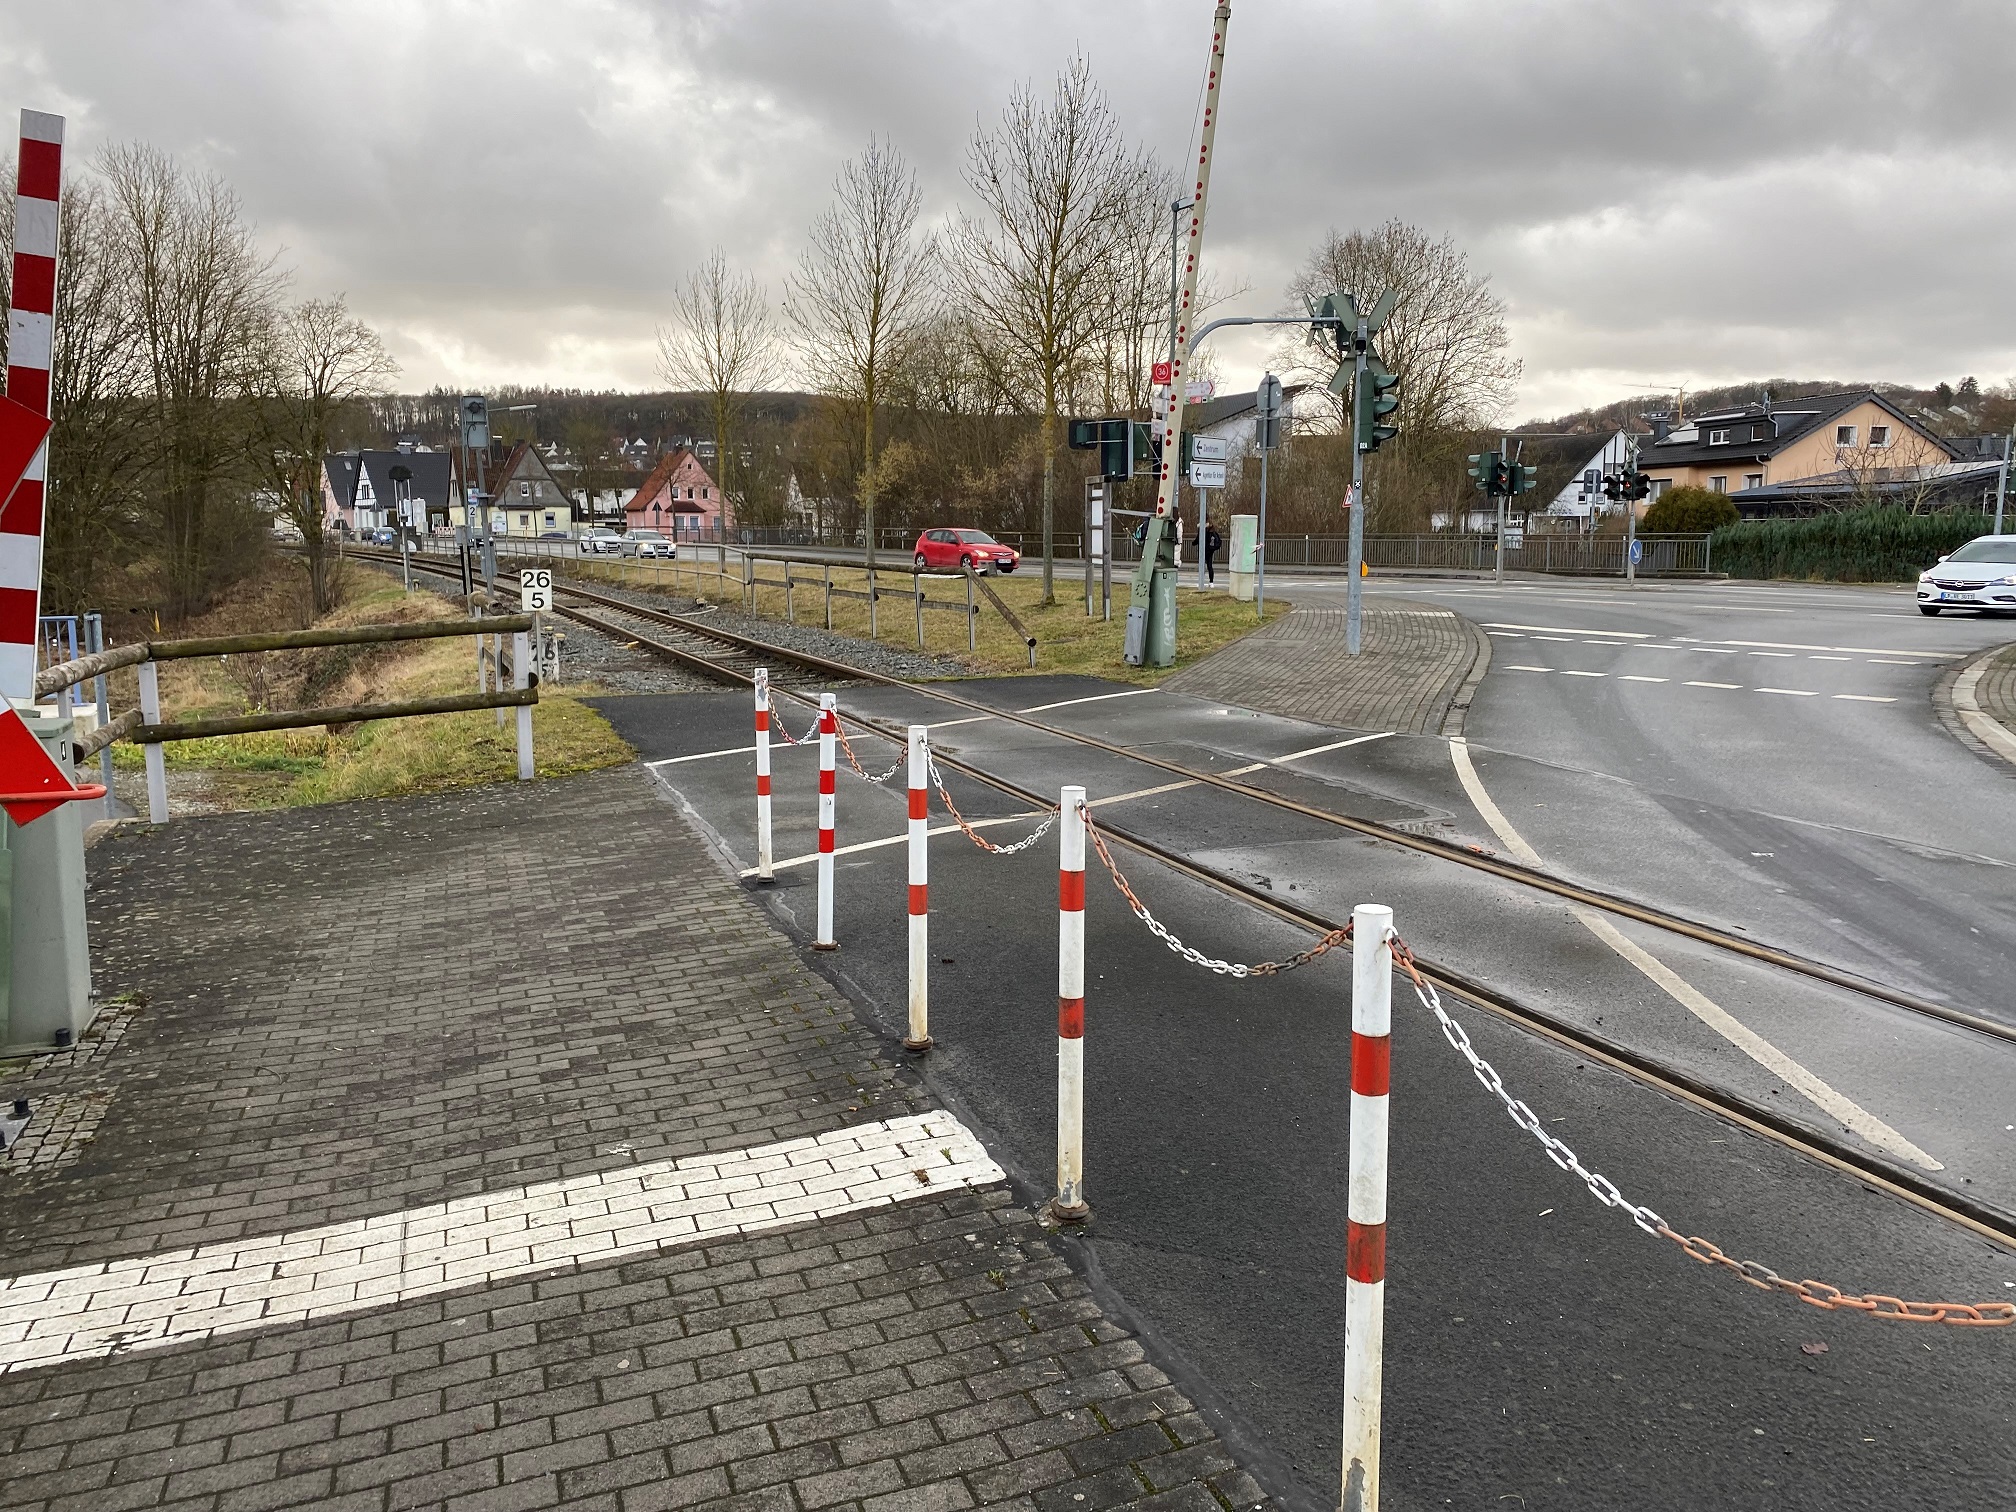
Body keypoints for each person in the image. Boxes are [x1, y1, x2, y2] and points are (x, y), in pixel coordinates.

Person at [1203, 521, 1223, 585]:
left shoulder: (1205, 532)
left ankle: (1202, 580)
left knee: (1203, 566)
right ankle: (1211, 582)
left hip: (1205, 550)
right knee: (1210, 566)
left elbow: (1199, 539)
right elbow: (1219, 541)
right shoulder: (1214, 533)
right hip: (1211, 551)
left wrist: (1194, 543)